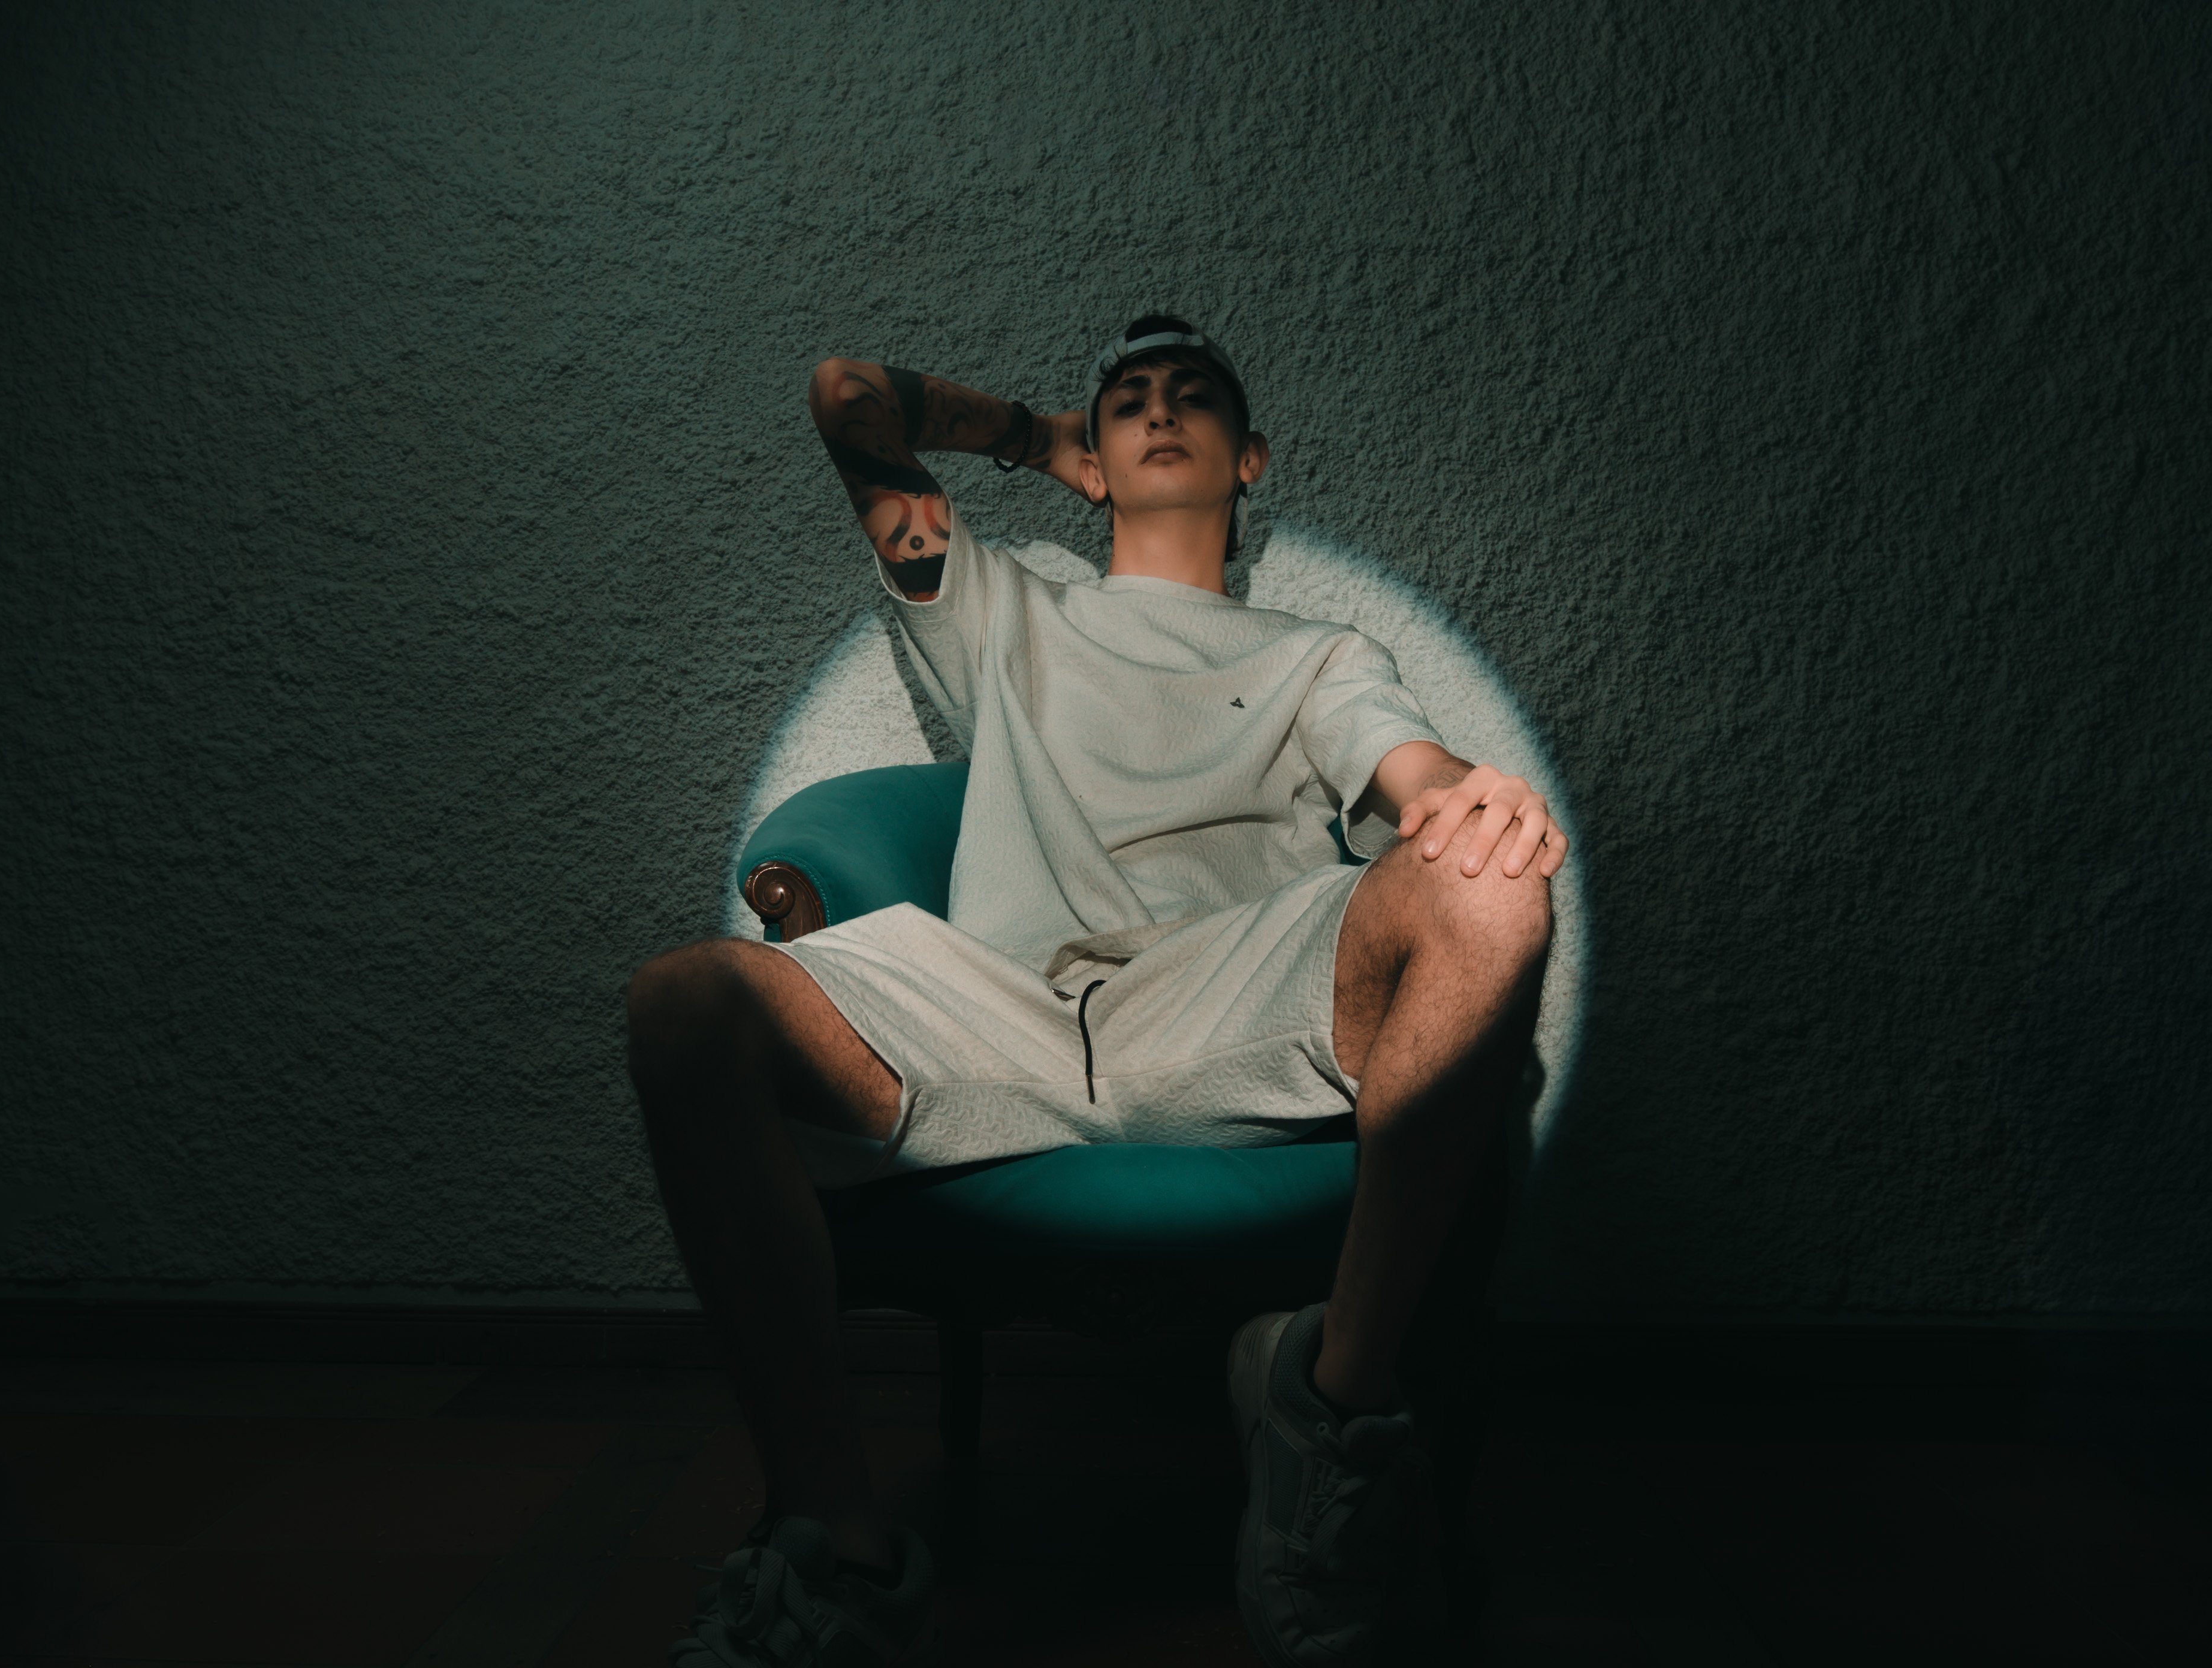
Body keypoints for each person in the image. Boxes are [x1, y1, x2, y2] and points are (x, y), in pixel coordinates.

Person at [626, 316, 1567, 1667]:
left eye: (1192, 397)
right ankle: (836, 1548)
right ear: (1096, 454)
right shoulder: (1004, 606)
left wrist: (1475, 802)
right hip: (996, 998)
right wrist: (1034, 439)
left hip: (1226, 987)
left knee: (1493, 882)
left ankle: (1329, 1405)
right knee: (685, 1004)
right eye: (1129, 400)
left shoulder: (1317, 652)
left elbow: (1414, 775)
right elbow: (847, 397)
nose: (1159, 411)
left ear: (1252, 459)